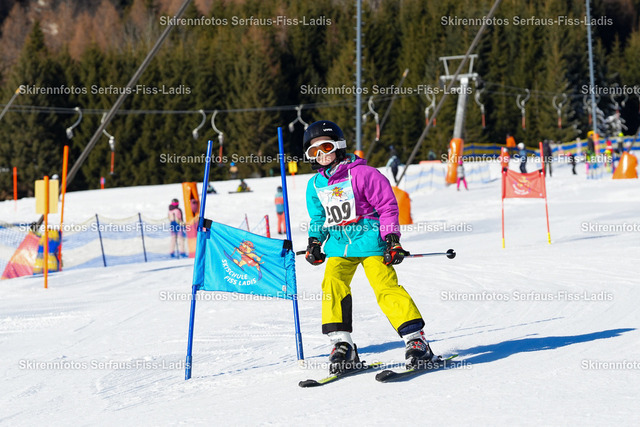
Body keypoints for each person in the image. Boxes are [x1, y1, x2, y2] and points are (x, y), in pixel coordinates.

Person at [302, 120, 432, 375]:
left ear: (339, 146)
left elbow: (387, 207)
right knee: (332, 284)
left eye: (326, 147)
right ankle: (342, 344)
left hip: (371, 241)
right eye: (313, 151)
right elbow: (319, 218)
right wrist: (315, 241)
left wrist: (392, 239)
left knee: (385, 286)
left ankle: (416, 340)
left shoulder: (364, 174)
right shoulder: (315, 185)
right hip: (339, 246)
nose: (321, 155)